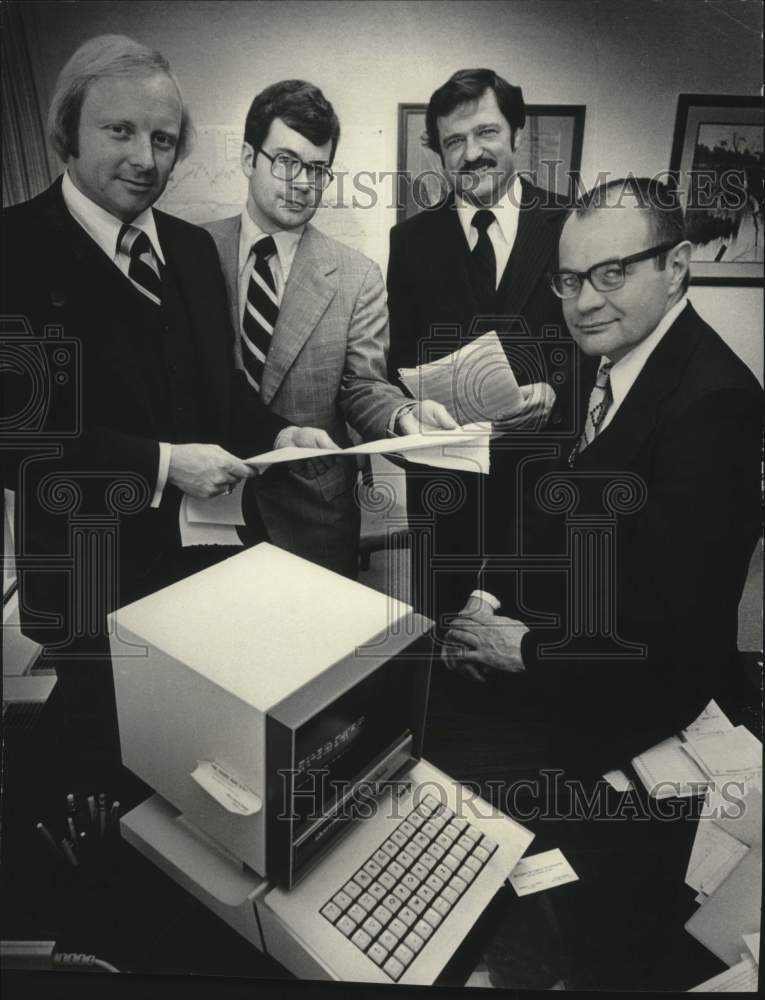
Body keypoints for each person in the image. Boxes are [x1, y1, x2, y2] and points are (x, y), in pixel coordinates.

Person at [1, 36, 333, 757]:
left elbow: (219, 390)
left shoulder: (186, 248)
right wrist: (160, 465)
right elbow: (17, 440)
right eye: (119, 131)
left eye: (162, 139)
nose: (145, 160)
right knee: (104, 765)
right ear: (68, 131)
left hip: (199, 564)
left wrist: (277, 434)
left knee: (200, 759)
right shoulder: (13, 249)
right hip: (88, 581)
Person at [444, 176, 762, 777]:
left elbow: (670, 629)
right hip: (559, 648)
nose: (584, 301)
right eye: (570, 279)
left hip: (628, 706)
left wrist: (524, 650)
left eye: (612, 272)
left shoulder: (716, 404)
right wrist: (488, 600)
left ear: (676, 267)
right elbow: (547, 505)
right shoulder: (607, 355)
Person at [203, 80, 455, 578]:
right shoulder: (193, 251)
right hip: (206, 505)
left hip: (313, 512)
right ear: (248, 157)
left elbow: (362, 387)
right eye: (286, 161)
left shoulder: (356, 274)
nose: (303, 183)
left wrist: (404, 415)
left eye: (317, 169)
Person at [387, 68, 593, 624]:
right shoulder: (410, 242)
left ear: (518, 135)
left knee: (532, 633)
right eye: (454, 141)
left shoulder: (569, 223)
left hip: (543, 481)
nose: (471, 154)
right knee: (442, 637)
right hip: (445, 485)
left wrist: (555, 386)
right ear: (439, 153)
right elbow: (395, 361)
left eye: (486, 133)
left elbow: (595, 341)